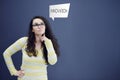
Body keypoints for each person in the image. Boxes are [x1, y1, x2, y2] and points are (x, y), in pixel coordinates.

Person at [3, 16, 60, 80]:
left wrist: (48, 42)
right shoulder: (24, 41)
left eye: (42, 24)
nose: (39, 26)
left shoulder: (49, 43)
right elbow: (6, 53)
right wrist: (13, 71)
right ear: (32, 29)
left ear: (45, 27)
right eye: (36, 25)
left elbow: (52, 62)